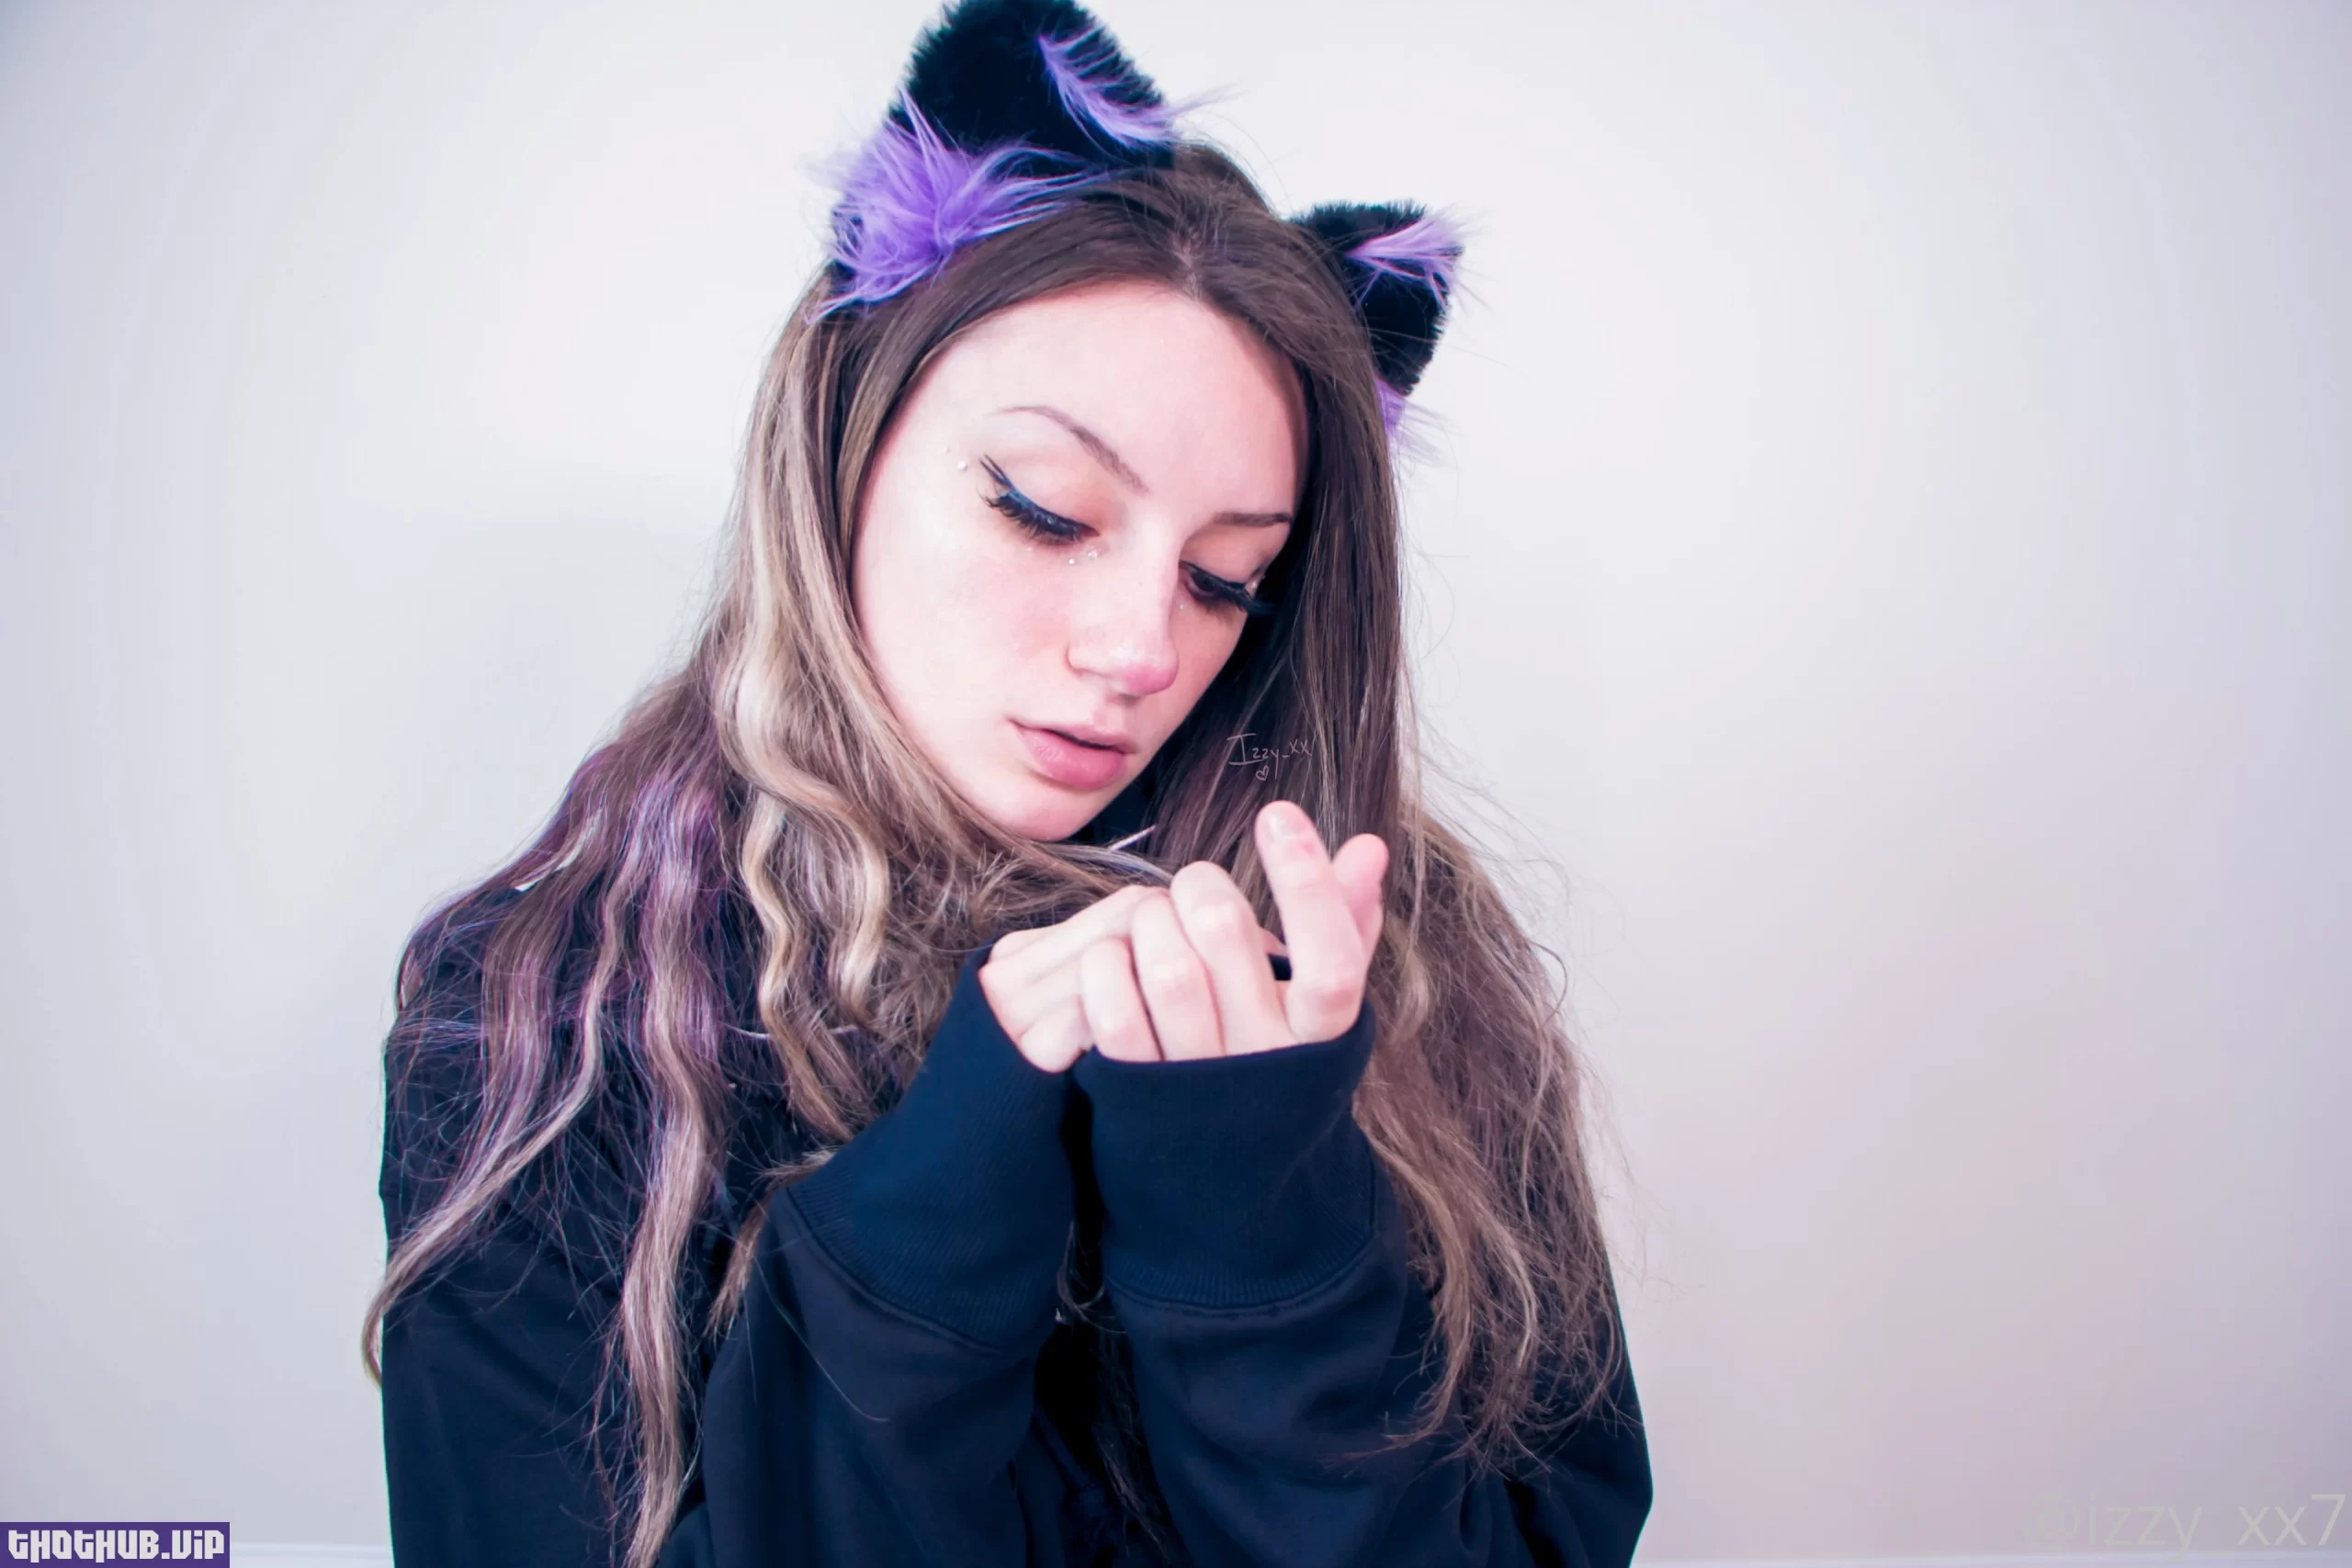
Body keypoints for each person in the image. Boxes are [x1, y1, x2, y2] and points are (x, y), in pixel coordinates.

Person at [360, 1, 1655, 1563]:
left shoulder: (1397, 963)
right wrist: (931, 1217)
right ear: (842, 440)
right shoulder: (553, 1010)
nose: (1142, 649)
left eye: (1228, 581)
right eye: (1045, 509)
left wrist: (1260, 1225)